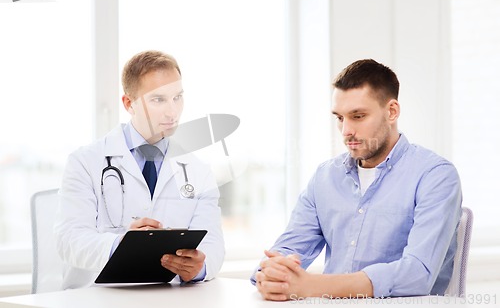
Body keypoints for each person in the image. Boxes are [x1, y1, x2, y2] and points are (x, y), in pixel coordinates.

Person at [251, 59, 462, 300]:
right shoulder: (325, 177)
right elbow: (288, 248)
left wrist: (312, 286)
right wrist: (270, 273)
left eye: (358, 116)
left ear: (391, 111)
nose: (346, 131)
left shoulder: (435, 175)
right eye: (340, 118)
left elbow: (417, 275)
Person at [54, 50, 224, 289]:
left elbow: (213, 244)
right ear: (128, 103)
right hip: (96, 298)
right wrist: (121, 245)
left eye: (177, 97)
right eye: (158, 99)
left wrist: (199, 268)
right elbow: (68, 240)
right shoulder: (85, 161)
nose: (172, 111)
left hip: (169, 298)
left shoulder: (198, 171)